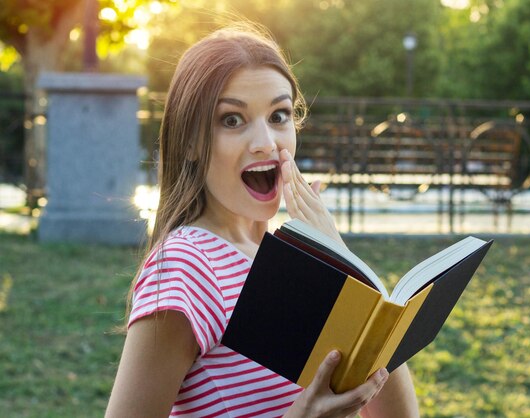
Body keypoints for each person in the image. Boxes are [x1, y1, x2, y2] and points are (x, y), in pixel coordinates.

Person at [105, 22, 420, 418]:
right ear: (189, 142)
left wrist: (341, 259)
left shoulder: (290, 262)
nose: (266, 143)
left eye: (279, 115)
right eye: (232, 120)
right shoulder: (188, 268)